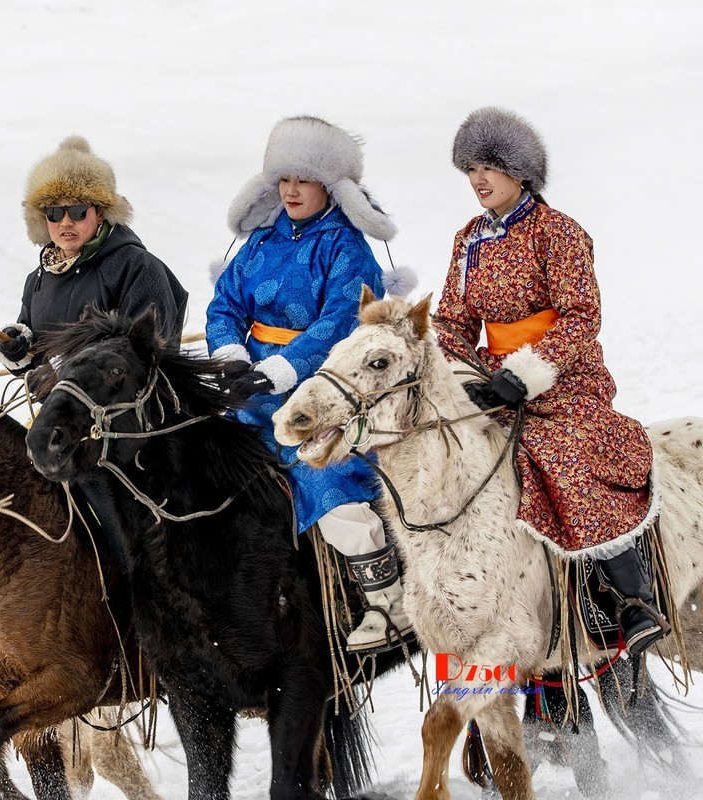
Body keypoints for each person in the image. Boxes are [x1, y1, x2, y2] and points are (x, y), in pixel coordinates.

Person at [436, 107, 667, 658]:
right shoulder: (468, 240)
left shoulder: (558, 231)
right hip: (492, 379)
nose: (478, 179)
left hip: (564, 378)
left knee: (564, 452)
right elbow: (451, 321)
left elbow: (581, 315)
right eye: (470, 169)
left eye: (488, 166)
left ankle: (628, 598)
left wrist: (525, 374)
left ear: (519, 171)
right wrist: (462, 372)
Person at [206, 115, 414, 654]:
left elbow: (342, 321)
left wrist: (283, 368)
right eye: (284, 179)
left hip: (323, 395)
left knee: (330, 483)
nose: (291, 191)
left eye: (304, 180)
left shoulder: (347, 248)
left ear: (330, 186)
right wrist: (230, 355)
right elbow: (223, 304)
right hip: (248, 394)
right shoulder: (259, 241)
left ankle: (387, 602)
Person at [0, 135, 188, 373]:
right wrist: (17, 350)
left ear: (100, 214)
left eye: (78, 211)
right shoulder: (37, 279)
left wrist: (61, 376)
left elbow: (144, 360)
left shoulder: (138, 268)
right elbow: (30, 366)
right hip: (52, 399)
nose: (66, 222)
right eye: (54, 212)